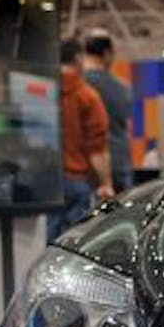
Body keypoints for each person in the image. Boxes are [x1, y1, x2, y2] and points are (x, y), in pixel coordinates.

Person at [51, 39, 114, 243]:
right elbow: (97, 149)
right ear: (78, 59)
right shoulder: (87, 96)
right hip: (77, 181)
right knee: (75, 244)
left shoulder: (43, 93)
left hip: (46, 183)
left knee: (45, 243)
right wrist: (106, 183)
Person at [82, 31, 134, 192]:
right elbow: (127, 126)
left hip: (85, 167)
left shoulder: (77, 86)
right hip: (118, 165)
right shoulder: (122, 88)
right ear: (107, 54)